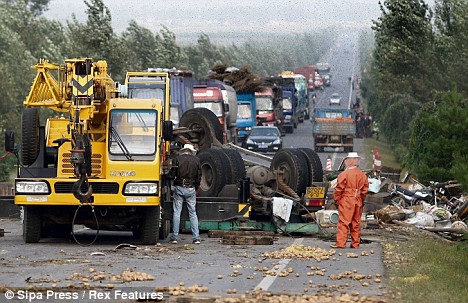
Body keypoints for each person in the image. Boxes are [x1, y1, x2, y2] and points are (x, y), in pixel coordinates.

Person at [331, 152, 369, 249]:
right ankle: (355, 243)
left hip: (347, 200)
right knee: (355, 223)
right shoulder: (363, 175)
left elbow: (339, 189)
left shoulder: (344, 174)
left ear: (348, 161)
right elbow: (364, 191)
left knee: (344, 222)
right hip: (358, 200)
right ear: (357, 161)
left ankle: (341, 243)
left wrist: (337, 201)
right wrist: (361, 200)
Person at [170, 143, 202, 244]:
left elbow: (172, 174)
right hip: (191, 188)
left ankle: (175, 237)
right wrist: (196, 187)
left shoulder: (177, 159)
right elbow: (199, 176)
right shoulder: (196, 160)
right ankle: (196, 238)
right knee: (193, 213)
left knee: (177, 212)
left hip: (179, 187)